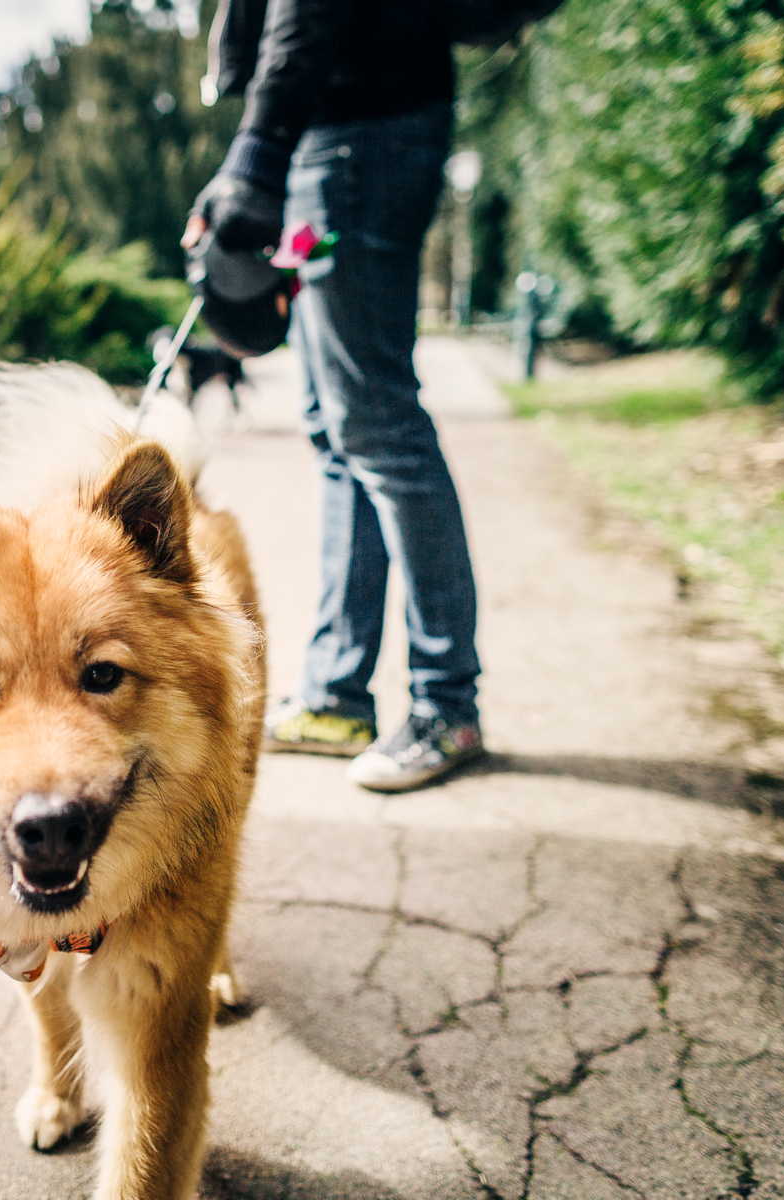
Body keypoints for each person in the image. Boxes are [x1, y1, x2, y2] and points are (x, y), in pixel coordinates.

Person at [187, 0, 485, 791]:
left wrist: (255, 157)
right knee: (337, 430)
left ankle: (446, 705)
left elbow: (305, 11)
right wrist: (260, 159)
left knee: (378, 424)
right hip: (340, 132)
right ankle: (335, 695)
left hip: (362, 131)